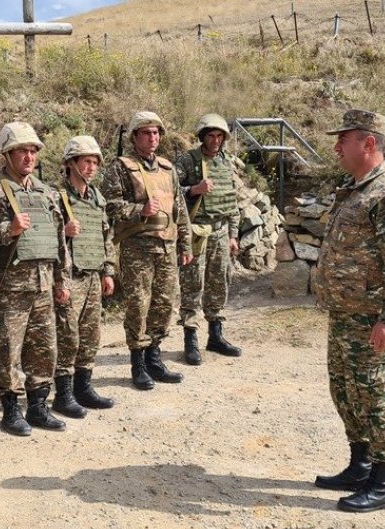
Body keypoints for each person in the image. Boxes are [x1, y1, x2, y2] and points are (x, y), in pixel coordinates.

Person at [313, 109, 385, 513]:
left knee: (373, 396)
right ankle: (360, 465)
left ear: (368, 143)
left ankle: (382, 484)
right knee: (344, 391)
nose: (336, 147)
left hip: (369, 318)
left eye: (344, 139)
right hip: (344, 313)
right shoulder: (357, 189)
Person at [0, 122, 71, 436]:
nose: (29, 157)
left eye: (32, 151)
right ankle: (11, 410)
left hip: (43, 285)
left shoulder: (46, 192)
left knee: (44, 349)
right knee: (7, 351)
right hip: (9, 288)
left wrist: (61, 280)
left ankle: (38, 407)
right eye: (21, 151)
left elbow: (59, 240)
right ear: (7, 154)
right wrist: (8, 230)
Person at [100, 111, 193, 390]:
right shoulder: (120, 167)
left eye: (156, 133)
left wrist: (185, 243)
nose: (152, 138)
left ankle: (154, 359)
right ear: (134, 137)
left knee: (163, 303)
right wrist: (139, 209)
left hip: (167, 246)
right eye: (146, 133)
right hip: (137, 248)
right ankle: (138, 364)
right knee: (138, 305)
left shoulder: (167, 168)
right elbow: (108, 206)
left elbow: (180, 209)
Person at [51, 135, 116, 419]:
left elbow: (106, 237)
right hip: (69, 277)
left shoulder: (97, 198)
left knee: (91, 335)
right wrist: (62, 232)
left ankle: (83, 388)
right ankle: (63, 395)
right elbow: (38, 237)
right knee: (68, 336)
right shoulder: (55, 196)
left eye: (94, 163)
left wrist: (108, 271)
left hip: (92, 275)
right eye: (86, 162)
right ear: (70, 163)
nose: (91, 167)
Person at [175, 114, 242, 365]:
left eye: (219, 136)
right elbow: (170, 191)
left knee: (219, 284)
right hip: (197, 233)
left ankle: (215, 336)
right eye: (211, 136)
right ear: (203, 137)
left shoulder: (227, 162)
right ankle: (190, 340)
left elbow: (232, 202)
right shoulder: (188, 160)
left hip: (222, 232)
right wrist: (194, 190)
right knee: (193, 285)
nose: (215, 141)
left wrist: (233, 235)